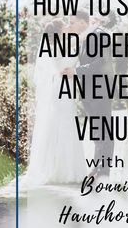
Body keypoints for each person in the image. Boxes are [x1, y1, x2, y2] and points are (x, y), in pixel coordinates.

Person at [27, 18, 87, 185]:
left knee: (62, 124)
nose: (68, 27)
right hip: (61, 88)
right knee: (63, 124)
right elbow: (61, 68)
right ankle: (64, 170)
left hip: (61, 89)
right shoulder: (58, 47)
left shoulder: (62, 44)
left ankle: (61, 167)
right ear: (60, 31)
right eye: (65, 26)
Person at [62, 10, 114, 178]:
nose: (70, 25)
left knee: (103, 130)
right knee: (96, 130)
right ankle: (98, 167)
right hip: (88, 91)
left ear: (83, 22)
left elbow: (100, 62)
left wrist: (76, 71)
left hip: (101, 89)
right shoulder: (85, 38)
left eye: (72, 22)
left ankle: (104, 171)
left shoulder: (100, 35)